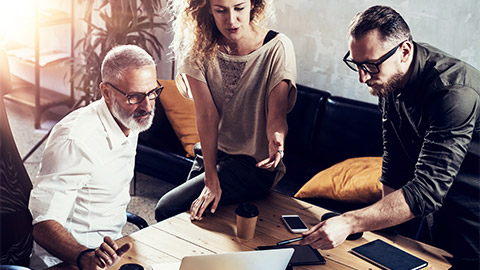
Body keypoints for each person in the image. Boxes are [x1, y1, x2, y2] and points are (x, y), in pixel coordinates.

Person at [301, 5, 480, 269]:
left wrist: (350, 221)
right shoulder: (388, 80)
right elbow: (394, 161)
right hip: (433, 209)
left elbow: (427, 190)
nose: (363, 78)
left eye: (371, 66)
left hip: (473, 214)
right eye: (357, 64)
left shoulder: (453, 91)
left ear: (404, 51)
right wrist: (382, 232)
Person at [154, 0, 297, 222]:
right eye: (221, 10)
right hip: (210, 154)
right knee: (184, 220)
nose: (231, 20)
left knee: (166, 209)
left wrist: (276, 138)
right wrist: (211, 179)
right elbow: (207, 115)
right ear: (208, 9)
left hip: (253, 164)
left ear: (253, 5)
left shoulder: (277, 47)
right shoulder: (197, 50)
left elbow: (276, 114)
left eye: (239, 8)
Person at [28, 45, 162, 269]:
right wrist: (84, 256)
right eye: (135, 96)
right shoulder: (76, 140)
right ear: (107, 92)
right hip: (68, 261)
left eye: (152, 93)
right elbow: (43, 225)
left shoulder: (130, 120)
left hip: (112, 251)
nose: (147, 106)